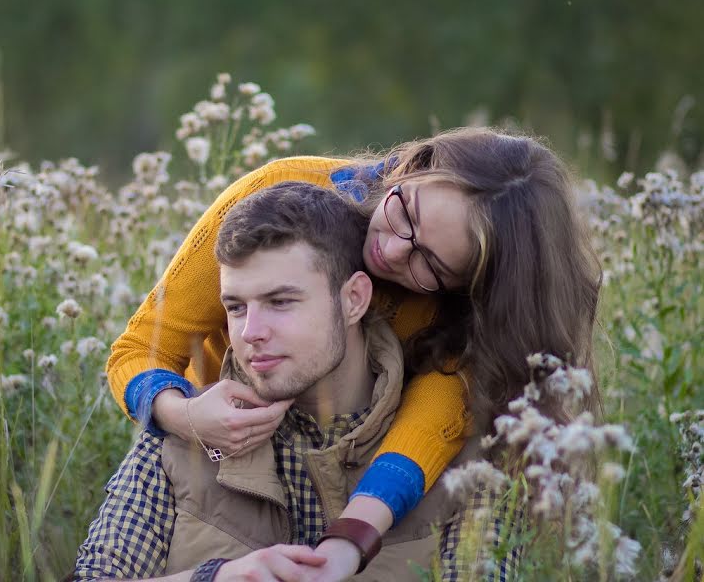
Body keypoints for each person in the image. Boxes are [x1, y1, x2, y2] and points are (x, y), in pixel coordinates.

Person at [106, 127, 601, 555]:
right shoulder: (278, 192)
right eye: (405, 211)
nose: (389, 248)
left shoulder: (467, 313)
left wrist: (353, 535)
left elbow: (429, 424)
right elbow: (139, 349)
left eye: (429, 263)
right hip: (219, 474)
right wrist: (187, 416)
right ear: (415, 166)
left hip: (359, 480)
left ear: (470, 284)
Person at [74, 183, 507, 581]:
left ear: (354, 298)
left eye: (281, 302)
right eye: (236, 307)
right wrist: (217, 578)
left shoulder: (470, 466)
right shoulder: (180, 438)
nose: (250, 333)